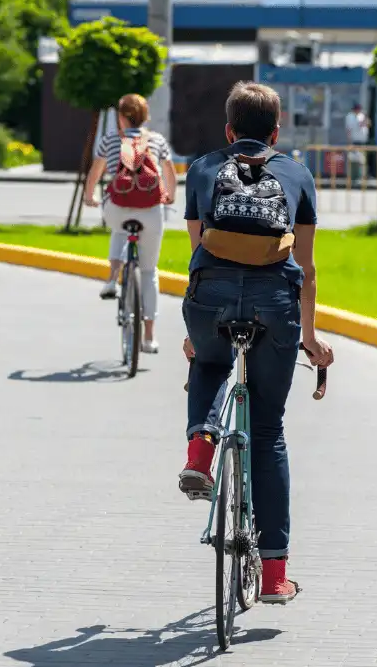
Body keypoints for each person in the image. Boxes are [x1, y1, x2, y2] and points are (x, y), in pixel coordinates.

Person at [178, 82, 334, 604]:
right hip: (275, 304)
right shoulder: (297, 174)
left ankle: (200, 448)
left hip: (211, 298)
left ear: (228, 131)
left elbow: (199, 255)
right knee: (266, 432)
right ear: (276, 132)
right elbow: (306, 267)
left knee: (208, 363)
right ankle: (272, 576)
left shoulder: (202, 168)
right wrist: (309, 337)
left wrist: (195, 333)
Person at [83, 93, 177, 354]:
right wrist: (170, 196)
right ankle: (149, 337)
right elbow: (169, 173)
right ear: (145, 117)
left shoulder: (110, 140)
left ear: (121, 117)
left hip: (118, 208)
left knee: (118, 230)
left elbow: (95, 171)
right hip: (151, 211)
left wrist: (89, 196)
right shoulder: (157, 140)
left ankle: (112, 278)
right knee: (149, 271)